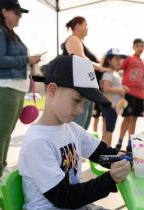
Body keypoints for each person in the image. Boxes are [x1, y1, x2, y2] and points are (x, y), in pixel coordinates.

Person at [18, 55, 132, 210]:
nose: (80, 110)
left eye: (84, 103)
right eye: (77, 100)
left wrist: (137, 161)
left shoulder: (71, 128)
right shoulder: (38, 141)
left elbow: (104, 155)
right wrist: (110, 179)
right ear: (52, 90)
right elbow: (64, 197)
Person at [0, 0, 41, 182]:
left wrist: (28, 61)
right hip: (4, 87)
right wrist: (26, 59)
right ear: (4, 11)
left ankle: (1, 165)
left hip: (15, 87)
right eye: (17, 12)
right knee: (1, 132)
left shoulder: (9, 33)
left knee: (7, 131)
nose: (20, 16)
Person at [62, 16, 110, 130]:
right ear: (77, 26)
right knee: (77, 126)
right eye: (85, 25)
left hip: (86, 89)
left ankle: (78, 147)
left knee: (82, 127)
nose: (87, 28)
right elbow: (80, 59)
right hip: (80, 88)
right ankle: (74, 147)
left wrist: (101, 64)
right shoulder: (73, 39)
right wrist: (99, 67)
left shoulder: (79, 41)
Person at [116, 38, 144, 152]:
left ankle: (130, 143)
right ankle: (119, 142)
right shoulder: (129, 59)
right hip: (129, 93)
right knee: (127, 117)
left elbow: (143, 79)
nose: (140, 48)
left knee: (134, 119)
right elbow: (117, 68)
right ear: (133, 47)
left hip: (140, 95)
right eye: (137, 46)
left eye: (142, 46)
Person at [100, 48, 128, 146]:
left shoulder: (114, 73)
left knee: (107, 130)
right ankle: (108, 153)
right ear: (109, 60)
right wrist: (120, 90)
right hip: (110, 106)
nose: (119, 61)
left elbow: (111, 86)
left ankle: (104, 152)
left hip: (112, 106)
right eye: (116, 59)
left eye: (120, 59)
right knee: (109, 131)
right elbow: (106, 88)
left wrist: (122, 88)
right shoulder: (108, 73)